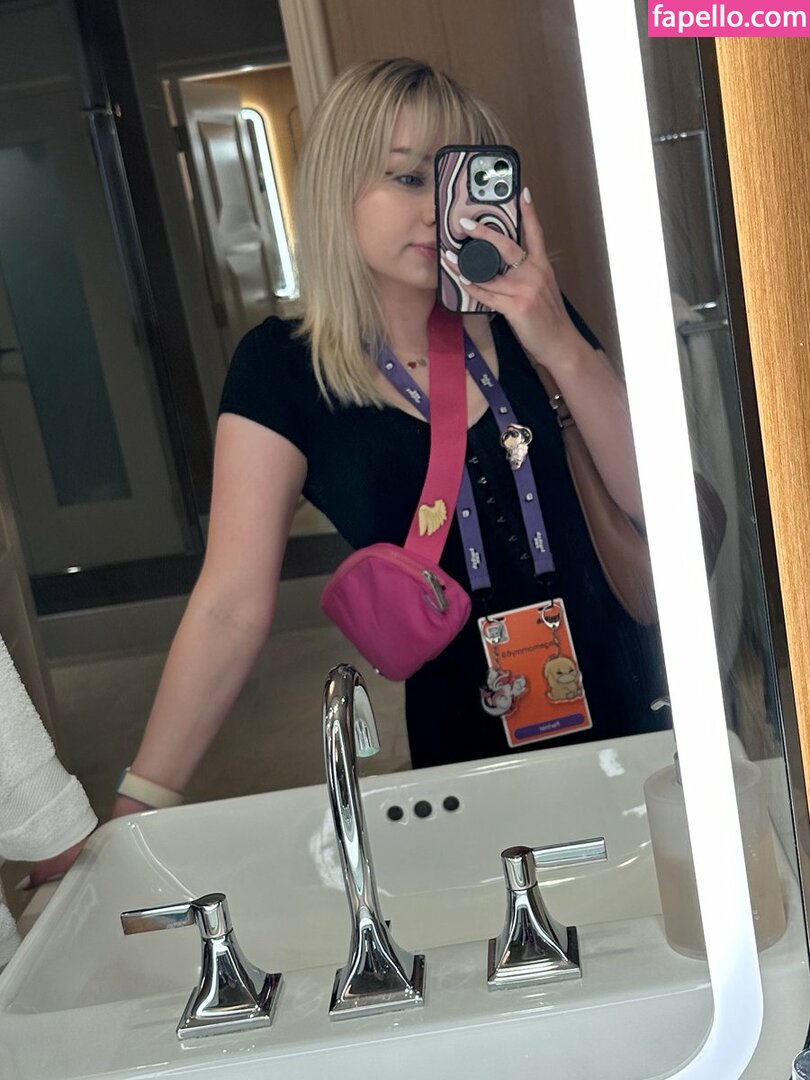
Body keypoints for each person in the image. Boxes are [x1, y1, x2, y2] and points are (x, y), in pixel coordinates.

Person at [31, 57, 670, 885]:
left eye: (457, 181)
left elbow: (656, 506)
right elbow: (228, 605)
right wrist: (139, 803)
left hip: (633, 693)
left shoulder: (527, 313)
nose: (438, 211)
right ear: (339, 187)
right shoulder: (283, 370)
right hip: (465, 735)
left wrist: (560, 346)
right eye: (406, 178)